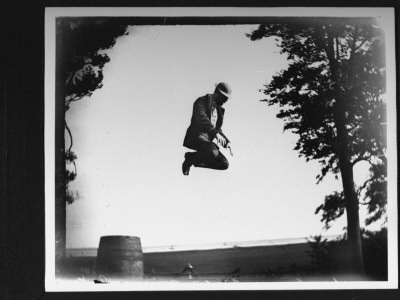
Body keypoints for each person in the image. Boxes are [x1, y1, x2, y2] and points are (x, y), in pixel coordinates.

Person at [182, 82, 233, 176]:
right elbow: (202, 119)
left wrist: (226, 142)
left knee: (224, 164)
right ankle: (190, 157)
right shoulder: (201, 101)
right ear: (217, 93)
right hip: (197, 136)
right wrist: (215, 134)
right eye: (224, 98)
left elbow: (218, 129)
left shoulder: (219, 111)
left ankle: (193, 160)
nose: (225, 101)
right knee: (212, 152)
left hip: (207, 142)